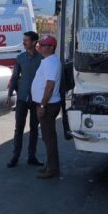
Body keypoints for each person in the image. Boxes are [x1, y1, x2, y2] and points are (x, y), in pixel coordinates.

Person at [4, 31, 44, 168]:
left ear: (34, 42)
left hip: (36, 99)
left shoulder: (42, 59)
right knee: (18, 129)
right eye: (24, 40)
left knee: (34, 129)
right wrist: (9, 95)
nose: (24, 42)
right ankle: (15, 156)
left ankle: (32, 156)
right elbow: (15, 77)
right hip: (22, 98)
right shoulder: (20, 58)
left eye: (26, 40)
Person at [32, 35, 63, 179]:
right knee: (48, 137)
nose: (41, 47)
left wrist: (42, 105)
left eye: (44, 45)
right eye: (41, 45)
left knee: (49, 138)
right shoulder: (49, 61)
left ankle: (52, 169)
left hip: (48, 105)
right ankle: (50, 165)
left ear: (51, 47)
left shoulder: (50, 62)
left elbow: (50, 86)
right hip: (48, 104)